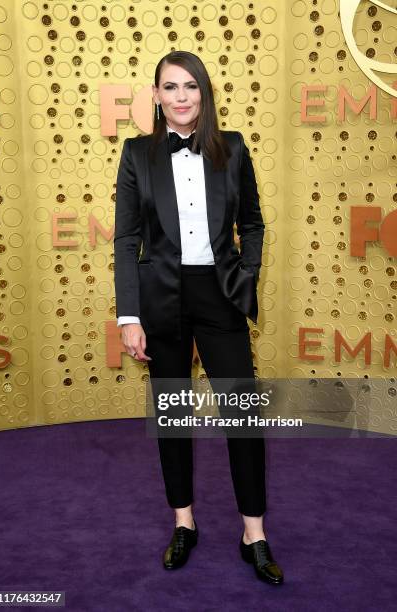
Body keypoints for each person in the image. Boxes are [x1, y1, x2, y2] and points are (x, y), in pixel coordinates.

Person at [114, 51, 284, 585]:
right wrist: (129, 315)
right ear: (157, 95)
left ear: (204, 94)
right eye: (171, 87)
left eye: (191, 86)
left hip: (220, 295)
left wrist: (246, 276)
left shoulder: (231, 148)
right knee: (173, 417)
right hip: (161, 298)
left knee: (243, 416)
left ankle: (253, 533)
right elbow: (126, 240)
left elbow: (253, 222)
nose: (182, 96)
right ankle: (183, 522)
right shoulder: (136, 153)